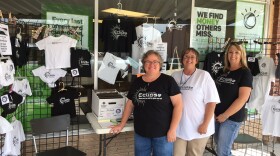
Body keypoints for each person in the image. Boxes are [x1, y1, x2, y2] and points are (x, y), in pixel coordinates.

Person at [110, 50, 183, 156]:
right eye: (148, 61)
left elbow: (178, 105)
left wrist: (172, 129)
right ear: (144, 64)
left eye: (155, 62)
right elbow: (130, 104)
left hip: (163, 134)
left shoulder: (168, 81)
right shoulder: (137, 82)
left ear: (160, 64)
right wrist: (121, 124)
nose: (151, 64)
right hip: (141, 134)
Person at [171, 48, 220, 156]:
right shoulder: (175, 75)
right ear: (182, 60)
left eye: (192, 57)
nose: (189, 59)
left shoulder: (204, 76)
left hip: (198, 127)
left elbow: (211, 102)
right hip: (179, 126)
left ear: (197, 60)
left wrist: (205, 124)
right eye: (186, 56)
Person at [214, 43, 253, 156]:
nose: (233, 55)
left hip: (231, 118)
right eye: (230, 52)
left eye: (236, 52)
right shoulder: (222, 71)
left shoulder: (245, 73)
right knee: (219, 146)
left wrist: (225, 115)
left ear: (242, 54)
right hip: (217, 115)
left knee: (223, 151)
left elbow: (243, 98)